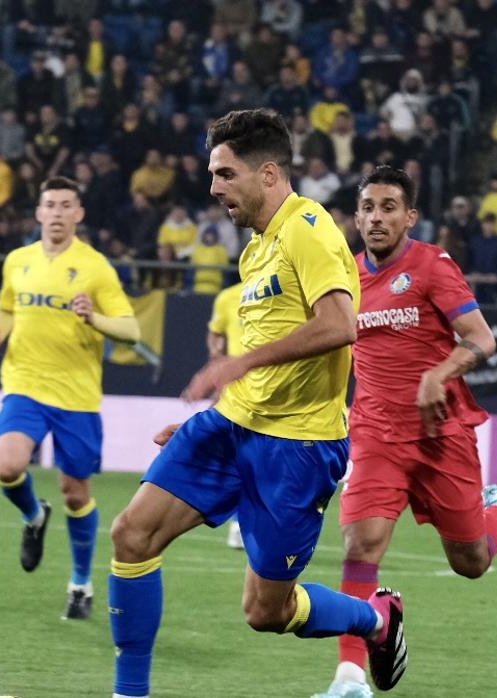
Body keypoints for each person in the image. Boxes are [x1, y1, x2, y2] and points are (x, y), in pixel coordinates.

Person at [107, 109, 406, 698]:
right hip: (230, 428)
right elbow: (270, 345)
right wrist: (221, 405)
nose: (213, 187)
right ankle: (129, 693)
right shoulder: (255, 249)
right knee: (131, 535)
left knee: (266, 611)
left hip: (297, 447)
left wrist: (238, 364)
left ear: (268, 173)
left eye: (224, 174)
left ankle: (376, 619)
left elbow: (341, 324)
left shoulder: (309, 227)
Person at [312, 166, 497, 698]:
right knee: (361, 545)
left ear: (409, 216)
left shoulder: (432, 266)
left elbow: (481, 338)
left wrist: (438, 373)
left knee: (472, 561)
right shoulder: (343, 276)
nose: (376, 217)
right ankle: (349, 678)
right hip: (375, 434)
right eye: (368, 207)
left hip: (440, 436)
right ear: (356, 216)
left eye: (389, 207)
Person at [0, 176, 140, 620]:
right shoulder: (18, 261)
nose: (58, 213)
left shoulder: (96, 267)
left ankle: (80, 585)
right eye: (51, 205)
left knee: (76, 493)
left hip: (76, 395)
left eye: (67, 205)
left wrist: (94, 317)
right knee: (7, 465)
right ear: (39, 212)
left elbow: (131, 330)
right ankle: (32, 514)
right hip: (24, 383)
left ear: (79, 214)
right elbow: (6, 307)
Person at [205, 281, 245, 550]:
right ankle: (237, 522)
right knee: (236, 456)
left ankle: (243, 522)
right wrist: (217, 363)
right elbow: (215, 333)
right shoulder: (228, 297)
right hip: (237, 384)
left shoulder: (286, 286)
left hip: (275, 383)